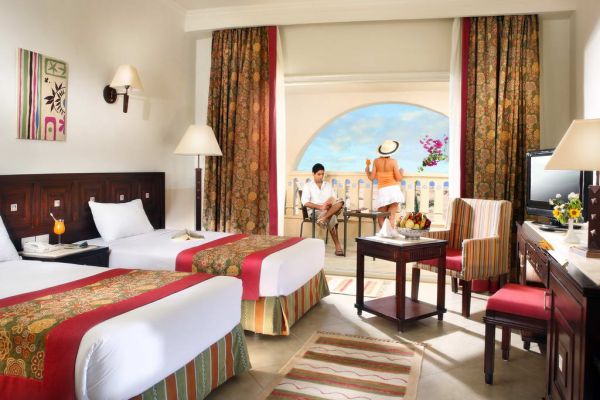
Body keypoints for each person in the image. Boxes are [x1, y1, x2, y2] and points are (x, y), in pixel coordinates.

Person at [301, 163, 345, 256]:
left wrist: (330, 204)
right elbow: (305, 202)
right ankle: (338, 246)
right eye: (319, 174)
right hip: (315, 211)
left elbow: (334, 198)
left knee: (341, 202)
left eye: (322, 174)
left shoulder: (327, 185)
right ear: (313, 174)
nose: (321, 176)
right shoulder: (308, 186)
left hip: (328, 210)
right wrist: (321, 207)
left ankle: (324, 218)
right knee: (333, 218)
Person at [365, 140, 405, 227]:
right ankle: (389, 234)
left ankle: (383, 234)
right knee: (391, 217)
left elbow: (372, 177)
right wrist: (401, 171)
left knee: (380, 217)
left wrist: (367, 168)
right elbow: (399, 178)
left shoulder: (376, 161)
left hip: (383, 191)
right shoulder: (393, 161)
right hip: (394, 190)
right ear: (392, 151)